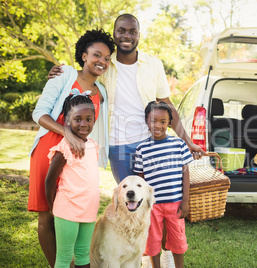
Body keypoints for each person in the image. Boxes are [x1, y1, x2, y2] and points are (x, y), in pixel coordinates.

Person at [48, 13, 206, 184]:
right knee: (130, 197)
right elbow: (82, 77)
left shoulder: (153, 64)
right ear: (114, 34)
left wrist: (188, 141)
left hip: (150, 143)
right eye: (121, 31)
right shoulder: (104, 63)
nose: (127, 36)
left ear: (138, 35)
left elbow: (167, 104)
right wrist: (60, 73)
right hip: (118, 147)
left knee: (154, 197)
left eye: (132, 32)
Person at [29, 29, 114, 267]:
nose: (102, 61)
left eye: (107, 58)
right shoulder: (65, 74)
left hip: (77, 159)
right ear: (84, 55)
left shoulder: (103, 92)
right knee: (47, 214)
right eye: (97, 54)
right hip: (49, 148)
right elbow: (39, 114)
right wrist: (67, 133)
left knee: (69, 211)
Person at [134, 101, 192, 268]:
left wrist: (186, 201)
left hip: (175, 204)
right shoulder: (142, 149)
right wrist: (143, 205)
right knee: (152, 240)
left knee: (178, 239)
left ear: (169, 123)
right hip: (153, 205)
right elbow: (140, 180)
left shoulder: (179, 145)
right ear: (146, 121)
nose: (157, 125)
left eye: (163, 122)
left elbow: (186, 173)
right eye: (153, 121)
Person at [45, 93, 100, 268]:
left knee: (84, 254)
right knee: (64, 257)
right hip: (67, 210)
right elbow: (49, 180)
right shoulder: (64, 147)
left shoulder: (92, 144)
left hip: (89, 210)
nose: (84, 124)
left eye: (88, 119)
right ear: (67, 121)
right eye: (78, 119)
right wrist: (52, 206)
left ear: (93, 120)